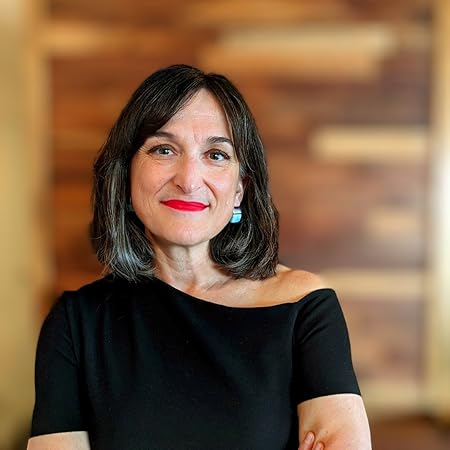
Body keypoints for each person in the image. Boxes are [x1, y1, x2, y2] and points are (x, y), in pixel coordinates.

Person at [27, 64, 371, 450]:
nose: (189, 178)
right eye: (163, 149)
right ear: (124, 178)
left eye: (216, 154)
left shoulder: (304, 307)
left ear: (240, 189)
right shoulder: (77, 324)